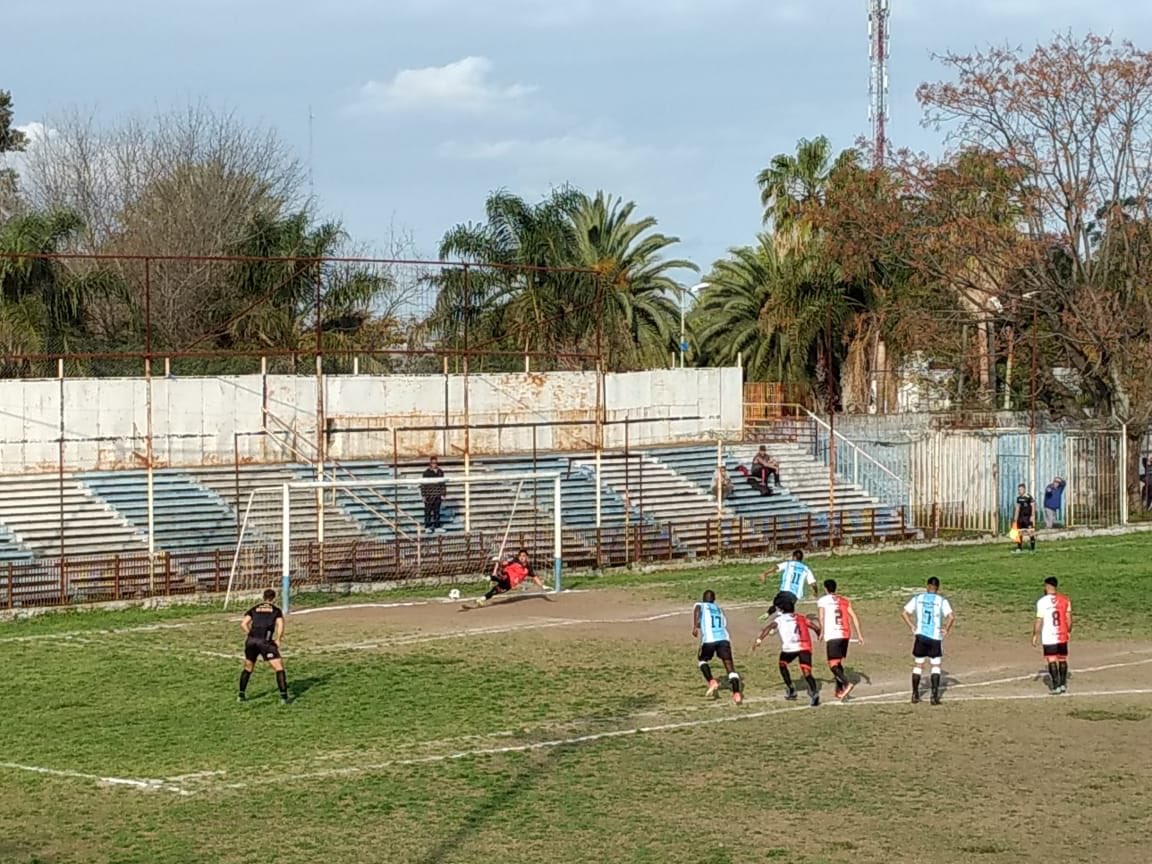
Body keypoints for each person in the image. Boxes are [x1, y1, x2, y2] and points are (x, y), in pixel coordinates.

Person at [753, 592, 822, 707]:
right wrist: (820, 634)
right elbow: (815, 627)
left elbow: (768, 627)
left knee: (782, 664)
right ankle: (815, 694)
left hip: (790, 648)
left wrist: (759, 640)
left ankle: (791, 689)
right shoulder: (801, 618)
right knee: (807, 673)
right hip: (804, 647)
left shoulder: (780, 619)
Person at [901, 577, 955, 705]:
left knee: (918, 664)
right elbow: (951, 617)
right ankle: (934, 697)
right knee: (935, 665)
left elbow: (904, 613)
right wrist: (946, 629)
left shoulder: (918, 598)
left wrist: (912, 626)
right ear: (938, 588)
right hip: (935, 637)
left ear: (927, 586)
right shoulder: (941, 601)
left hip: (921, 636)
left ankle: (915, 694)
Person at [239, 588, 290, 705]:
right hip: (265, 642)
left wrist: (250, 634)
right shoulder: (276, 610)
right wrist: (278, 639)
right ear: (274, 598)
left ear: (263, 597)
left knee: (248, 667)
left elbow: (243, 624)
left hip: (251, 641)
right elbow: (280, 625)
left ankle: (241, 694)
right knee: (279, 667)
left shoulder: (254, 608)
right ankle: (284, 698)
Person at [692, 590, 743, 705]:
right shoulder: (719, 610)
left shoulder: (701, 605)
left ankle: (711, 681)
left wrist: (695, 626)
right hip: (724, 639)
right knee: (730, 667)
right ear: (714, 600)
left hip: (710, 639)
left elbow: (697, 610)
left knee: (702, 660)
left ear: (703, 599)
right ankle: (737, 694)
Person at [817, 578, 864, 701]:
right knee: (837, 662)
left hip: (833, 634)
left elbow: (821, 617)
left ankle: (846, 683)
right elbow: (854, 617)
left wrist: (821, 632)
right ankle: (839, 690)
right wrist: (859, 635)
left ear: (825, 589)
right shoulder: (844, 600)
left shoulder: (823, 601)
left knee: (832, 664)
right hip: (845, 634)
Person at [1032, 576, 1072, 694]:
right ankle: (1063, 684)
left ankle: (1055, 686)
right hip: (1062, 634)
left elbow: (1039, 620)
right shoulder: (1065, 600)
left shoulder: (1042, 602)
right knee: (1062, 658)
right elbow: (1069, 619)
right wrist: (1068, 631)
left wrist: (1035, 634)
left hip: (1049, 636)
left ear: (1048, 586)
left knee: (1051, 659)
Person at [476, 548, 546, 605]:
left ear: (527, 557)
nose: (521, 557)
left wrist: (542, 586)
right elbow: (505, 563)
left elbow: (535, 577)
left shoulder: (528, 569)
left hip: (509, 585)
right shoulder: (515, 560)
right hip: (506, 575)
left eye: (523, 556)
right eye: (520, 556)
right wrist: (498, 561)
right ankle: (486, 578)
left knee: (494, 591)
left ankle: (480, 599)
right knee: (504, 577)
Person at [421, 455, 446, 532]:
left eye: (435, 463)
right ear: (430, 463)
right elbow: (423, 484)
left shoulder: (440, 472)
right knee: (428, 511)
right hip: (429, 494)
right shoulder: (426, 473)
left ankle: (437, 526)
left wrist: (443, 494)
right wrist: (423, 495)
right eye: (433, 463)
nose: (434, 464)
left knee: (437, 511)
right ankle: (427, 527)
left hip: (437, 494)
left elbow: (443, 484)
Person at [1013, 484, 1037, 553]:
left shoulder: (1029, 497)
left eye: (1020, 489)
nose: (1019, 491)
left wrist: (1032, 516)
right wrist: (1015, 518)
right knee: (1019, 533)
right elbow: (1017, 508)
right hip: (1021, 518)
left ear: (1024, 489)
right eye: (1018, 490)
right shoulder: (1018, 498)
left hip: (1028, 517)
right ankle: (1019, 548)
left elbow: (1033, 506)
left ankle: (1032, 549)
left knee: (1030, 532)